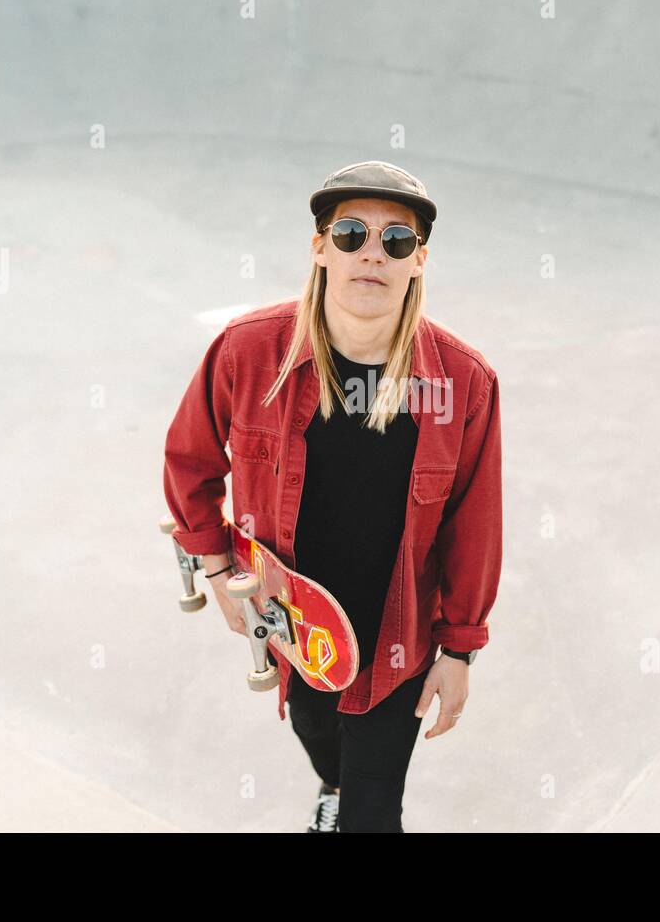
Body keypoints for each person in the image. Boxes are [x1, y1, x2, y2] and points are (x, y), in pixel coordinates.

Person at [163, 160, 502, 832]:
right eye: (350, 234)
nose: (371, 254)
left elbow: (476, 526)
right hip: (292, 617)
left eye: (395, 241)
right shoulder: (248, 351)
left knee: (373, 814)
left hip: (396, 637)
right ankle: (331, 784)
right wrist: (215, 565)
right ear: (320, 249)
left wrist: (459, 651)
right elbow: (190, 460)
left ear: (418, 262)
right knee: (317, 732)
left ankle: (351, 805)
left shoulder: (463, 382)